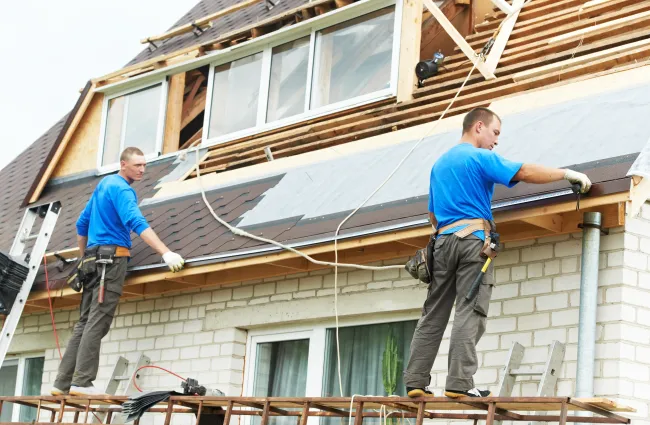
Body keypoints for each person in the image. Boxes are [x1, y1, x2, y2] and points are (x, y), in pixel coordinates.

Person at [403, 107, 591, 398]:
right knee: (471, 308)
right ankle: (459, 384)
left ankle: (415, 383)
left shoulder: (439, 164)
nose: (496, 141)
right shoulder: (480, 157)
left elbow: (431, 212)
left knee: (434, 313)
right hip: (472, 243)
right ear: (479, 127)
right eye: (495, 132)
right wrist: (567, 174)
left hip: (440, 243)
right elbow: (524, 171)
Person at [51, 147, 186, 396]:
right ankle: (82, 382)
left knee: (84, 322)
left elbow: (82, 224)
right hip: (110, 262)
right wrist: (165, 252)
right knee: (97, 321)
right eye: (137, 165)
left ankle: (61, 384)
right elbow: (135, 222)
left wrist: (85, 258)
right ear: (123, 164)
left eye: (144, 165)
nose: (142, 170)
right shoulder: (123, 189)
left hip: (94, 260)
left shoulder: (104, 185)